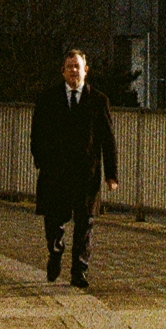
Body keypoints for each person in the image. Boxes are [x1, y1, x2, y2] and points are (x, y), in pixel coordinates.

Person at [29, 45, 119, 289]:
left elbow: (108, 140)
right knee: (53, 221)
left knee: (85, 224)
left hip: (86, 175)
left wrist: (112, 175)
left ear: (86, 70)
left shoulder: (99, 101)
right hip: (55, 173)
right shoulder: (48, 99)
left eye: (77, 67)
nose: (73, 71)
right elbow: (36, 133)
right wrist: (40, 159)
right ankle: (55, 253)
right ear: (63, 71)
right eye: (69, 67)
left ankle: (79, 271)